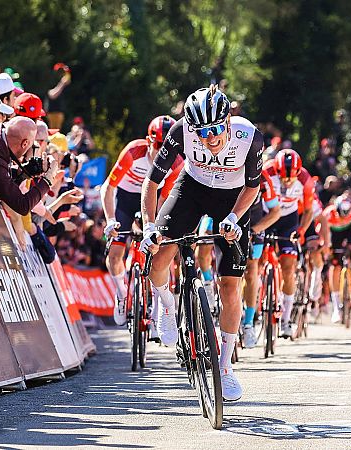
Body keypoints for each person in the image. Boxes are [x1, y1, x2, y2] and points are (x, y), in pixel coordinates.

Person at [141, 85, 263, 402]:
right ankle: (167, 307)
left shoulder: (249, 137)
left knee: (229, 286)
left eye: (216, 129)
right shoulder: (180, 131)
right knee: (161, 253)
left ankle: (224, 367)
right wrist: (149, 227)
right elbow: (151, 182)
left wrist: (235, 219)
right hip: (192, 189)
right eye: (202, 132)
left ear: (228, 120)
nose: (210, 138)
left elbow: (252, 188)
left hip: (233, 199)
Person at [101, 115, 183, 327]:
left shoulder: (176, 164)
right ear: (148, 140)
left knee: (156, 253)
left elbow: (164, 200)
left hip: (153, 202)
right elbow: (108, 188)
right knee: (115, 254)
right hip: (126, 201)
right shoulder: (133, 152)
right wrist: (110, 219)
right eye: (157, 145)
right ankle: (121, 295)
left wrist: (152, 226)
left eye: (167, 146)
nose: (161, 152)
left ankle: (156, 308)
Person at [262, 149, 315, 338]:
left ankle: (285, 320)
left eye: (290, 178)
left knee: (288, 267)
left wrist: (300, 231)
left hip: (289, 220)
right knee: (257, 261)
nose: (286, 181)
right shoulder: (267, 171)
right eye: (282, 177)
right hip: (267, 215)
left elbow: (308, 211)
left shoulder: (306, 180)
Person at [0, 116, 59, 215]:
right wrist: (48, 180)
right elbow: (22, 206)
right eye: (31, 144)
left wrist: (29, 169)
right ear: (25, 143)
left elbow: (5, 177)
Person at [242, 167, 281, 348]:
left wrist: (256, 230)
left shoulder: (263, 178)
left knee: (251, 272)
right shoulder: (225, 167)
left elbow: (275, 212)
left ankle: (248, 323)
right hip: (226, 220)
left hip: (253, 224)